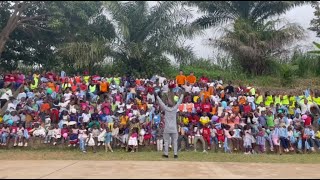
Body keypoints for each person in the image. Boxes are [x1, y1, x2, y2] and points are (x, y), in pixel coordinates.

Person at [155, 89, 184, 158]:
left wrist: (157, 96)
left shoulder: (166, 108)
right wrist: (182, 94)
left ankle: (166, 154)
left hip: (167, 128)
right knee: (175, 142)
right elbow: (179, 102)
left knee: (166, 141)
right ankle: (175, 154)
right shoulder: (175, 108)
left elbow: (161, 102)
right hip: (174, 128)